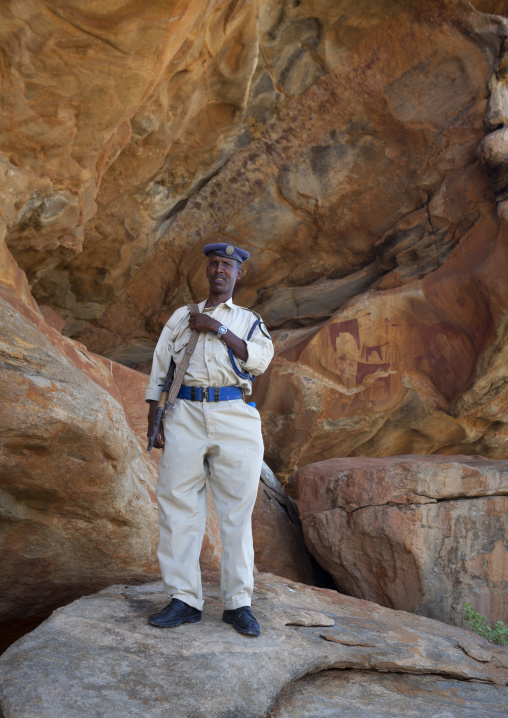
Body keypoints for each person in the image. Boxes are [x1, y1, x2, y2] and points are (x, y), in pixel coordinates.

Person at [145, 243, 274, 636]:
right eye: (215, 264)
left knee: (236, 512)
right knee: (177, 504)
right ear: (207, 271)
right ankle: (184, 599)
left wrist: (217, 329)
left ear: (239, 275)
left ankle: (238, 604)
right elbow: (160, 365)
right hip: (184, 412)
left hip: (234, 413)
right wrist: (155, 415)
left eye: (228, 266)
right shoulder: (183, 316)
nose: (220, 270)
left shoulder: (249, 320)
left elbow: (260, 360)